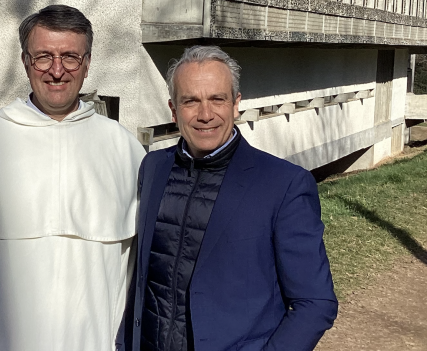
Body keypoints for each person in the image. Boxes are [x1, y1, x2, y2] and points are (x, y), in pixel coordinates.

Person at [0, 4, 146, 351]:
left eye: (70, 57)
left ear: (88, 63)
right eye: (43, 57)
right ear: (25, 61)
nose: (57, 70)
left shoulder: (124, 149)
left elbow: (139, 265)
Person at [122, 46, 337, 351]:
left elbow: (315, 303)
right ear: (173, 109)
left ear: (236, 103)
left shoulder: (284, 184)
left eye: (217, 99)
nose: (205, 114)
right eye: (191, 101)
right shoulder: (154, 167)